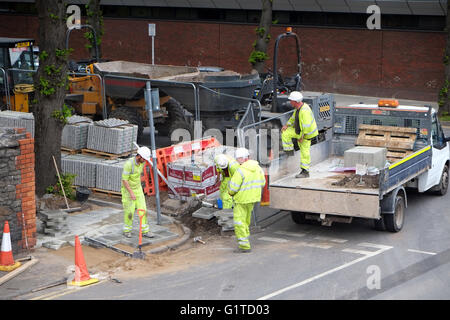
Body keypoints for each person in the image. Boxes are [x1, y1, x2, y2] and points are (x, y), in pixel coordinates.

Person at [228, 148, 266, 253]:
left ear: (241, 159)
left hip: (241, 200)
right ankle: (245, 238)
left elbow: (233, 189)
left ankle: (244, 246)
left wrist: (230, 192)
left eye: (238, 158)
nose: (237, 161)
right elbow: (262, 182)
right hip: (253, 199)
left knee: (239, 222)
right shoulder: (258, 168)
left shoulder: (240, 171)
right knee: (246, 221)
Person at [281, 91, 318, 178]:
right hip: (299, 132)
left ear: (295, 101)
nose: (290, 102)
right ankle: (289, 152)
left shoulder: (304, 111)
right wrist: (287, 125)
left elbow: (307, 127)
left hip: (306, 135)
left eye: (291, 100)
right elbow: (293, 118)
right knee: (285, 132)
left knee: (305, 152)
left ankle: (305, 172)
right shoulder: (298, 109)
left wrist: (302, 137)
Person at [121, 146, 154, 238]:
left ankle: (145, 231)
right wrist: (131, 193)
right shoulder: (128, 164)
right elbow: (124, 180)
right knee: (129, 211)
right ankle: (127, 230)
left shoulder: (141, 163)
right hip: (128, 191)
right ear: (139, 156)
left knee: (143, 209)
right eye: (144, 159)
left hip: (138, 189)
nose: (145, 161)